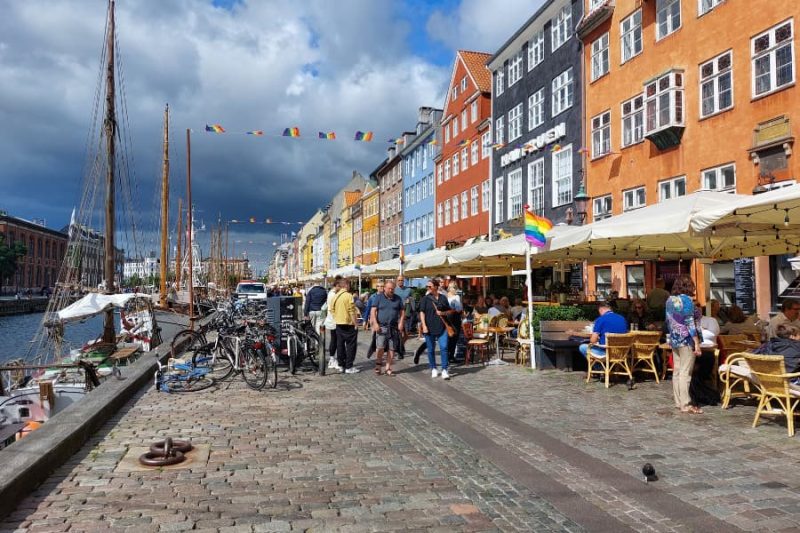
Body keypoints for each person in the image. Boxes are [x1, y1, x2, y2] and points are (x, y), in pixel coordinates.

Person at [665, 275, 703, 414]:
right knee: (685, 373)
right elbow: (689, 323)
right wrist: (696, 343)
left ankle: (678, 401)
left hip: (674, 339)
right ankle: (685, 404)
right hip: (686, 340)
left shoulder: (670, 300)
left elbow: (668, 321)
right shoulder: (687, 300)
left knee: (677, 371)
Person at [419, 278, 454, 380]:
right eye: (427, 286)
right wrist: (424, 326)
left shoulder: (443, 298)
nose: (428, 288)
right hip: (429, 328)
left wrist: (442, 313)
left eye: (430, 286)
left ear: (436, 287)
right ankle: (433, 368)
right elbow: (422, 312)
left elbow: (449, 311)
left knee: (444, 348)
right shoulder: (425, 299)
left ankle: (444, 369)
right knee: (430, 349)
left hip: (442, 327)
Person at [370, 280, 405, 376]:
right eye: (389, 288)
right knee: (380, 347)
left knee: (392, 348)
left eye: (392, 289)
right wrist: (375, 323)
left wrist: (401, 322)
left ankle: (388, 368)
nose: (391, 290)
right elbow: (373, 311)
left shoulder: (397, 298)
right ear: (384, 288)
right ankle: (378, 364)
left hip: (393, 327)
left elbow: (402, 312)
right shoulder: (378, 297)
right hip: (381, 327)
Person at [331, 278, 360, 373]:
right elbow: (351, 311)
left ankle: (341, 365)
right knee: (351, 346)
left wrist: (336, 317)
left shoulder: (335, 296)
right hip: (348, 324)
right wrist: (355, 323)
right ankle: (349, 366)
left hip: (339, 323)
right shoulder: (348, 296)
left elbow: (331, 309)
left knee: (340, 345)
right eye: (349, 285)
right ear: (346, 285)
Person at [323, 276, 343, 372]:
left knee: (334, 340)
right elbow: (333, 308)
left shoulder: (332, 293)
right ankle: (333, 360)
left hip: (333, 320)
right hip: (334, 321)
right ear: (337, 285)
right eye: (341, 286)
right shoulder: (332, 295)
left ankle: (332, 359)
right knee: (336, 340)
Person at [363, 281, 385, 359]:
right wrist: (365, 320)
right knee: (374, 336)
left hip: (383, 319)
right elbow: (368, 309)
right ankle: (375, 350)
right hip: (374, 318)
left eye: (382, 286)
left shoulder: (386, 296)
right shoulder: (372, 297)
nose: (380, 288)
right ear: (376, 287)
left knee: (383, 336)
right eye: (379, 286)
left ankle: (379, 349)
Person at [393, 276, 412, 359]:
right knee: (400, 333)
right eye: (399, 280)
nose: (400, 281)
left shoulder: (408, 290)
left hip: (407, 313)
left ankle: (400, 346)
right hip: (398, 314)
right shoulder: (394, 290)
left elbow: (413, 300)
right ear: (396, 281)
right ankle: (400, 351)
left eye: (402, 280)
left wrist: (410, 300)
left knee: (407, 334)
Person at [446, 282, 464, 361]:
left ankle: (447, 356)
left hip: (447, 318)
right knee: (454, 337)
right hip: (455, 318)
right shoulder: (456, 297)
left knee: (448, 337)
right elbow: (459, 309)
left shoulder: (445, 296)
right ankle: (451, 356)